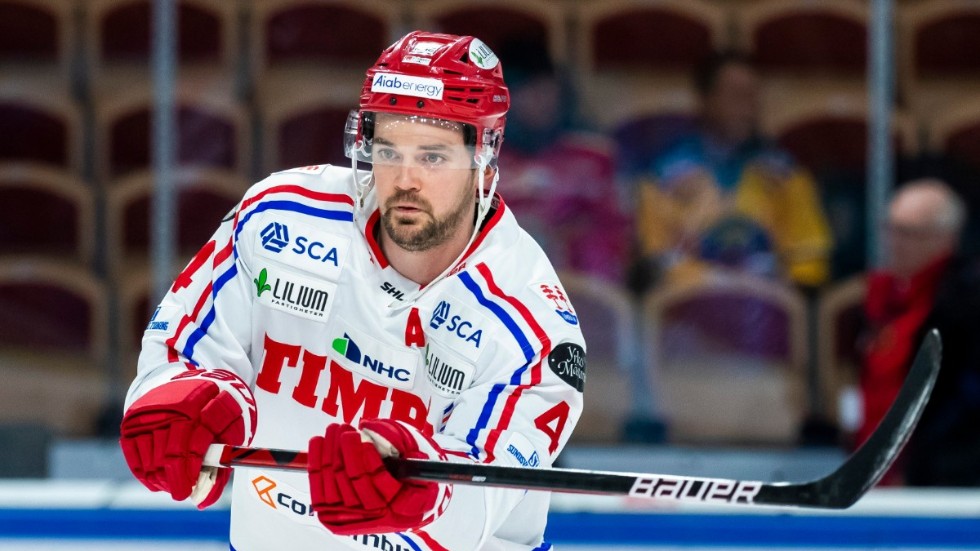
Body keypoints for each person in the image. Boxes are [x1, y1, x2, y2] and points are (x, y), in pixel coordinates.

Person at [118, 31, 586, 550]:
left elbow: (482, 495)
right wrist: (178, 397)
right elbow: (182, 347)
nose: (404, 179)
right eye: (387, 150)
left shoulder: (533, 324)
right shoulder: (279, 218)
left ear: (485, 154)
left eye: (432, 157)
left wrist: (420, 489)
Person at [632, 50, 832, 290]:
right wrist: (709, 280)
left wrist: (787, 282)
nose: (747, 109)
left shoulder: (785, 174)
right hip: (689, 304)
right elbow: (654, 260)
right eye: (736, 96)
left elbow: (810, 258)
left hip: (766, 304)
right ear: (705, 99)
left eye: (752, 97)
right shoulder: (665, 174)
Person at [857, 178, 980, 486]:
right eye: (891, 229)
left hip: (940, 470)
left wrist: (918, 459)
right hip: (875, 458)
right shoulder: (883, 295)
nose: (894, 242)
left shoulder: (965, 297)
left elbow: (962, 397)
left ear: (946, 238)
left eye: (909, 233)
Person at [494, 37, 632, 283]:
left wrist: (565, 242)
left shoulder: (594, 157)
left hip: (579, 288)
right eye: (527, 90)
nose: (541, 100)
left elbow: (619, 234)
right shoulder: (477, 161)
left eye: (547, 89)